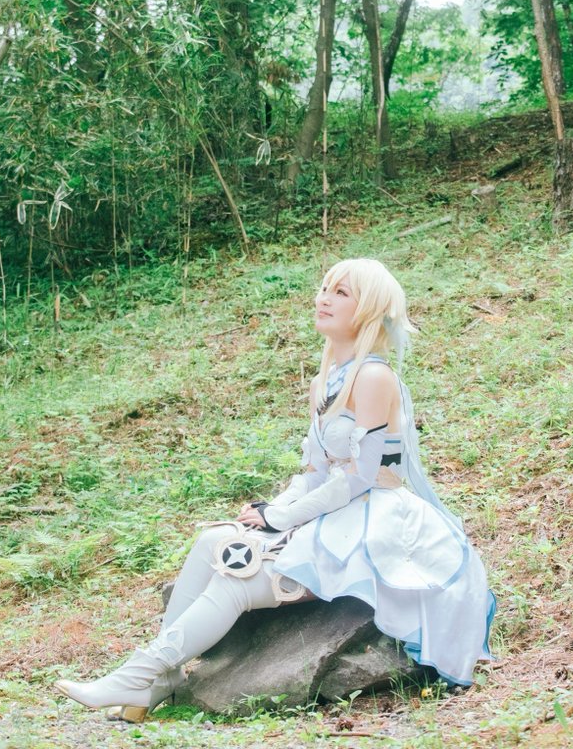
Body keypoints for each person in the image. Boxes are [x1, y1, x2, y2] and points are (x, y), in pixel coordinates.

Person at [56, 257, 495, 722]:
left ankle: (138, 674)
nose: (323, 298)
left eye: (341, 293)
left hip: (376, 518)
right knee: (212, 542)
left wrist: (281, 519)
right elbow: (315, 472)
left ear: (368, 308)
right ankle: (160, 680)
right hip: (336, 508)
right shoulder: (324, 381)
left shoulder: (374, 376)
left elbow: (360, 476)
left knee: (239, 579)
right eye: (324, 288)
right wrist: (271, 510)